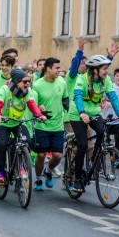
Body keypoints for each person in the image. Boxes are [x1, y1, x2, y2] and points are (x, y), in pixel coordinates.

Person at [69, 55, 119, 192]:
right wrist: (82, 113)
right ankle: (77, 179)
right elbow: (77, 96)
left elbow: (113, 97)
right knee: (83, 145)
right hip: (78, 114)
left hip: (95, 112)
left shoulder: (106, 80)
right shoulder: (82, 78)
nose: (107, 71)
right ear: (95, 70)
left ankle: (92, 162)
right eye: (104, 68)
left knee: (102, 133)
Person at [0, 69, 46, 184]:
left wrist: (40, 115)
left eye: (29, 81)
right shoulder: (5, 89)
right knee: (2, 144)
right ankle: (0, 173)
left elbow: (31, 104)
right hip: (2, 122)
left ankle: (21, 167)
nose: (28, 84)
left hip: (17, 122)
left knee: (28, 142)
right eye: (25, 81)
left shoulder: (26, 92)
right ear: (16, 82)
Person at [32, 57, 69, 191]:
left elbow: (65, 98)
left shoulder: (61, 83)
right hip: (41, 125)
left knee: (58, 155)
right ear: (48, 69)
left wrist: (66, 107)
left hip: (57, 125)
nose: (59, 71)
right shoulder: (37, 85)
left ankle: (49, 170)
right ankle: (38, 179)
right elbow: (32, 103)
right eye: (57, 68)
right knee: (41, 155)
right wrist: (38, 110)